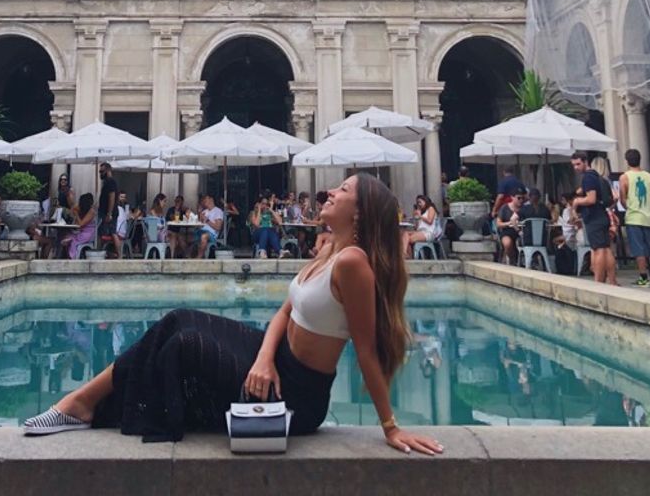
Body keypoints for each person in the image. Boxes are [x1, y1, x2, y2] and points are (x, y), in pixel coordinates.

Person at [23, 173, 444, 457]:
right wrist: (263, 357)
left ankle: (85, 405)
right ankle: (80, 402)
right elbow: (285, 310)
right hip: (274, 363)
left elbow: (367, 352)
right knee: (179, 318)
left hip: (295, 397)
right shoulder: (331, 250)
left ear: (359, 213)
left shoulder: (355, 264)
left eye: (343, 191)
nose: (330, 192)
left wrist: (390, 427)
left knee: (186, 342)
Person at [619, 148, 650, 287]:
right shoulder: (649, 176)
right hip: (648, 216)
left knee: (638, 248)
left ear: (627, 161)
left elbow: (622, 197)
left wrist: (628, 205)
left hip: (633, 216)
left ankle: (643, 277)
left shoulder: (625, 177)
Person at [570, 151, 617, 285]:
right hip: (603, 215)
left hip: (594, 217)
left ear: (586, 162)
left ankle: (598, 282)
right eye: (574, 165)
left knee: (598, 250)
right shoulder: (598, 177)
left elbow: (591, 199)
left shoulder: (588, 178)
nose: (576, 168)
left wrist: (578, 201)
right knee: (606, 249)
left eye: (578, 164)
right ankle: (612, 281)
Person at [62, 194, 97, 259]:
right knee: (66, 236)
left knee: (72, 240)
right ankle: (67, 255)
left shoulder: (91, 211)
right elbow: (72, 210)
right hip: (80, 231)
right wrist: (74, 210)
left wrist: (77, 215)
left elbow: (81, 224)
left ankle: (73, 256)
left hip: (87, 234)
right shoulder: (82, 209)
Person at [495, 189, 525, 265]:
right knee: (507, 243)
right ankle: (512, 260)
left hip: (522, 232)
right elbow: (498, 224)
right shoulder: (505, 208)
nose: (521, 200)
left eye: (522, 198)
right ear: (512, 197)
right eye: (518, 198)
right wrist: (509, 223)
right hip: (507, 232)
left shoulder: (525, 208)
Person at [197, 194, 224, 258]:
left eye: (205, 199)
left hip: (212, 234)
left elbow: (218, 227)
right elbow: (200, 225)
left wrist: (207, 221)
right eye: (203, 200)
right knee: (185, 237)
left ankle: (198, 258)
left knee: (204, 237)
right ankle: (188, 257)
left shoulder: (218, 211)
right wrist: (199, 214)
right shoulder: (204, 211)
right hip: (201, 231)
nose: (204, 201)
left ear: (211, 199)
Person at [97, 163, 118, 240]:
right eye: (100, 171)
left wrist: (109, 214)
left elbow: (112, 197)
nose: (100, 173)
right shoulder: (107, 182)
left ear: (108, 170)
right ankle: (107, 251)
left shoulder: (110, 181)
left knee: (112, 233)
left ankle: (119, 252)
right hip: (105, 212)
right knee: (104, 233)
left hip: (108, 213)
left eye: (102, 171)